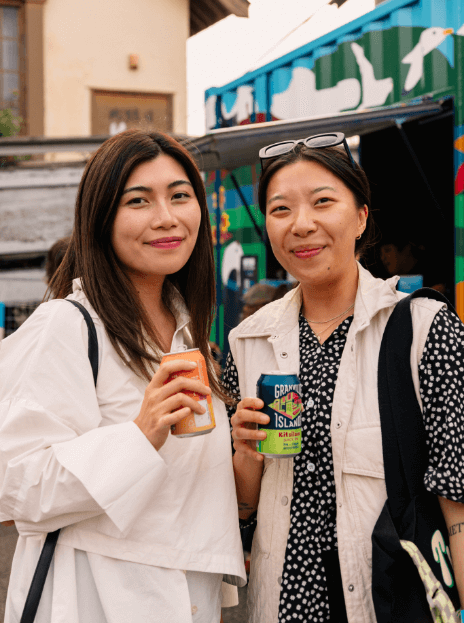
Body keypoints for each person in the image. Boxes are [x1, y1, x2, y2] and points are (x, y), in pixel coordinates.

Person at [0, 130, 245, 623]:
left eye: (180, 196)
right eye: (139, 200)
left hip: (190, 599)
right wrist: (139, 435)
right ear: (101, 218)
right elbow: (15, 486)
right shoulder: (66, 326)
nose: (167, 217)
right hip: (96, 597)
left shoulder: (189, 337)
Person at [223, 134, 464, 623]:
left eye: (323, 202)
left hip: (386, 603)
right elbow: (239, 513)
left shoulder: (424, 329)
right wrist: (244, 454)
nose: (302, 225)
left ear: (360, 218)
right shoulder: (247, 343)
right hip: (282, 605)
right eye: (281, 209)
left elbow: (457, 492)